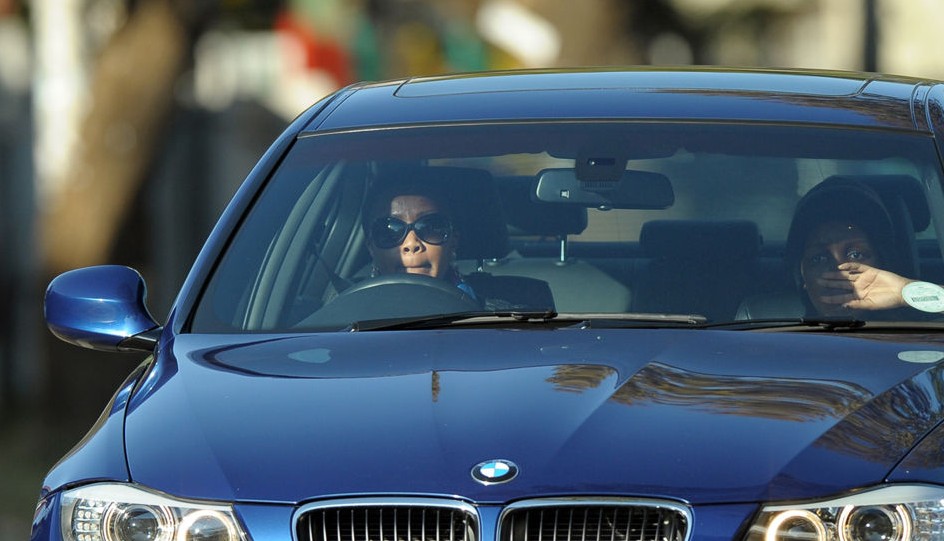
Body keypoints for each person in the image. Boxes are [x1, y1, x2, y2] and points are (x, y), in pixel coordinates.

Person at [784, 177, 928, 317]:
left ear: (882, 264)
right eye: (819, 258)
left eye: (856, 255)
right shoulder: (779, 333)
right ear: (802, 276)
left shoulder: (923, 331)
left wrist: (906, 292)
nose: (839, 270)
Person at [362, 176, 478, 300]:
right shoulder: (351, 308)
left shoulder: (487, 309)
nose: (412, 244)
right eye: (390, 231)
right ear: (370, 247)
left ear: (453, 241)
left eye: (429, 227)